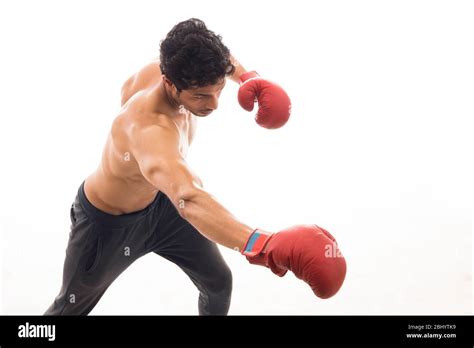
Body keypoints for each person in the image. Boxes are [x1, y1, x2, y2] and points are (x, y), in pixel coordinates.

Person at [44, 18, 346, 316]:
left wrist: (247, 77)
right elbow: (188, 198)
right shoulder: (149, 129)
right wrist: (262, 245)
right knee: (66, 310)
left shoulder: (181, 64)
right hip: (108, 227)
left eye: (218, 90)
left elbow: (220, 56)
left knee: (218, 282)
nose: (213, 104)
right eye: (201, 95)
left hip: (162, 208)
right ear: (169, 84)